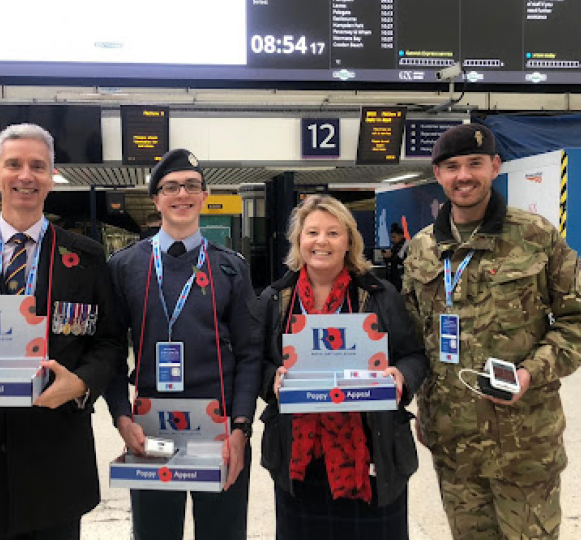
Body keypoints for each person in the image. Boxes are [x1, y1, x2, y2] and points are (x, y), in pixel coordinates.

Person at [0, 123, 126, 539]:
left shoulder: (85, 257)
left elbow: (109, 340)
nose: (25, 176)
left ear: (52, 177)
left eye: (38, 166)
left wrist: (82, 382)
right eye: (14, 164)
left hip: (56, 452)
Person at [402, 123, 581, 539]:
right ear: (438, 174)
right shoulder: (422, 249)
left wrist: (531, 372)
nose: (464, 176)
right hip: (454, 443)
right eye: (452, 167)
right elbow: (415, 338)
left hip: (524, 441)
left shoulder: (536, 236)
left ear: (495, 166)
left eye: (475, 163)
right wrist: (423, 405)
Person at [104, 148, 261, 540]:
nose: (182, 194)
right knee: (155, 533)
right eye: (170, 187)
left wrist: (241, 427)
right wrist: (121, 417)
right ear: (156, 199)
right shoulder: (125, 267)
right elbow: (109, 348)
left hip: (219, 431)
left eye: (192, 186)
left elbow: (250, 352)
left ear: (204, 195)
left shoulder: (230, 266)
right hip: (151, 429)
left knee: (223, 534)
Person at [254, 195, 428, 540]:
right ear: (298, 240)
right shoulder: (276, 299)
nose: (321, 241)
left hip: (372, 454)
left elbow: (414, 355)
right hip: (301, 459)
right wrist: (271, 379)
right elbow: (254, 361)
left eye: (333, 233)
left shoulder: (380, 295)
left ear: (349, 241)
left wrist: (401, 377)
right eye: (312, 232)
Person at [382, 222, 408, 290]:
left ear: (401, 236)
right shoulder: (394, 247)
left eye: (394, 237)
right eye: (391, 237)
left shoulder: (407, 246)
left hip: (403, 277)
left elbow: (405, 261)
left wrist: (392, 256)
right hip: (394, 277)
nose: (392, 240)